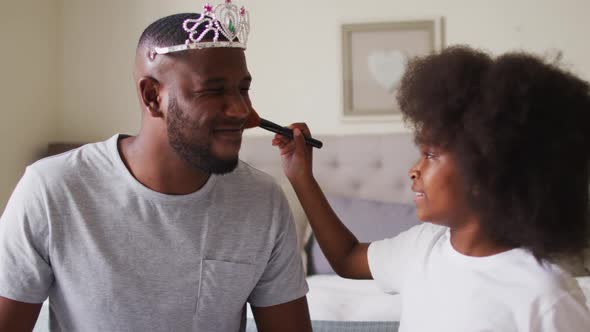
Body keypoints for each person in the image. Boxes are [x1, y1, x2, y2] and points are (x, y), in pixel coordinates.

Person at [0, 3, 311, 332]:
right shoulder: (52, 188)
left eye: (243, 89)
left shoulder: (262, 200)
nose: (240, 109)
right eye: (214, 90)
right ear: (152, 96)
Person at [273, 46, 590, 331]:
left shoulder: (546, 295)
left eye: (430, 155)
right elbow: (346, 257)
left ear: (486, 170)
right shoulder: (422, 248)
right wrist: (302, 176)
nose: (413, 169)